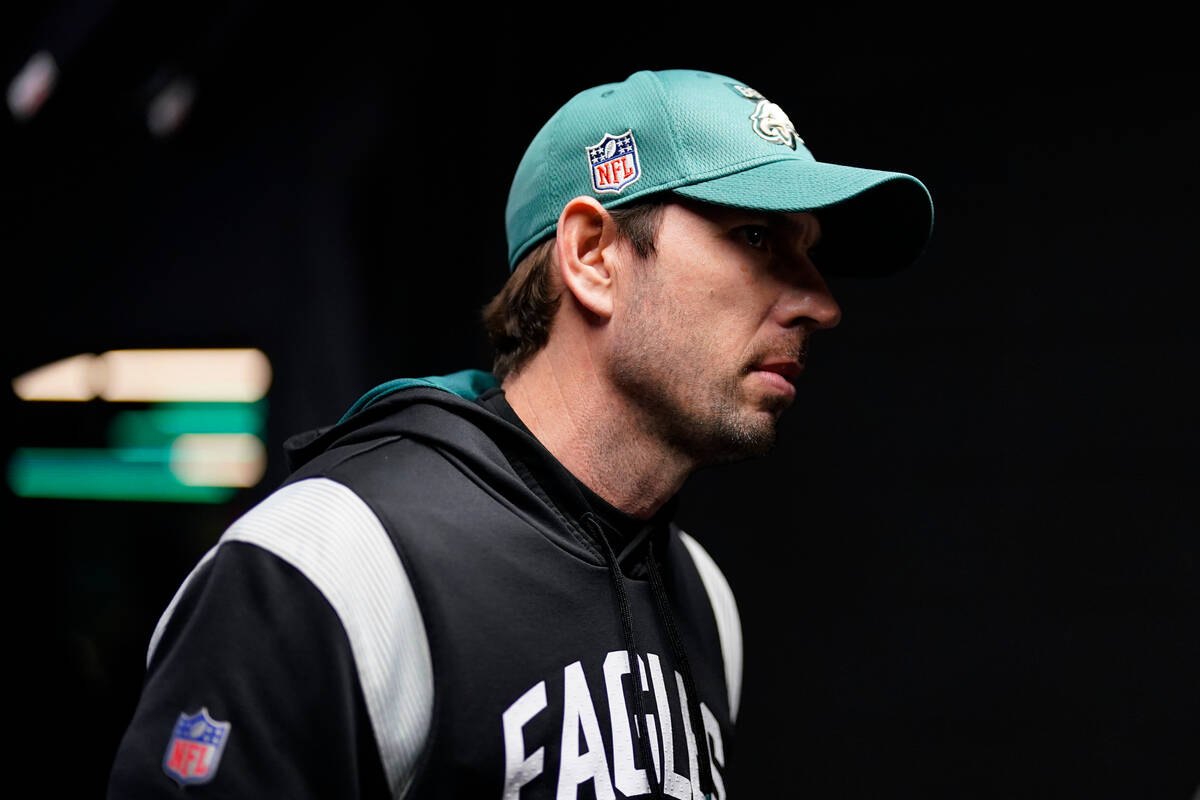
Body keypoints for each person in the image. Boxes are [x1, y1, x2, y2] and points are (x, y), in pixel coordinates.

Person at [108, 68, 933, 799]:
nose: (821, 304)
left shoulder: (702, 599)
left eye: (812, 254)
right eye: (756, 236)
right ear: (593, 254)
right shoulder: (337, 560)